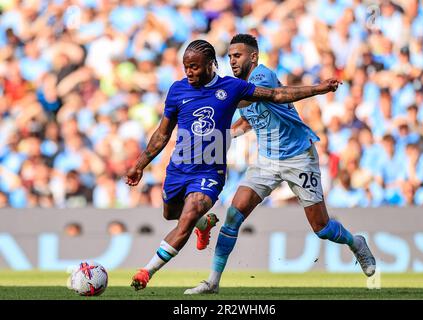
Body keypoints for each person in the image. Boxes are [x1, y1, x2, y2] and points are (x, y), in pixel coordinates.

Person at [125, 39, 341, 291]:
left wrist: (318, 89)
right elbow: (162, 133)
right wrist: (140, 164)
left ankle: (146, 271)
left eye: (194, 66)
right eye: (186, 67)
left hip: (209, 171)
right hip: (179, 168)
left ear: (211, 65)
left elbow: (275, 95)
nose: (190, 72)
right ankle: (204, 224)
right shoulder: (177, 90)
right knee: (171, 214)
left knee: (188, 216)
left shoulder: (232, 88)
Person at [185, 34, 376, 295]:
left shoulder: (261, 76)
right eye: (229, 56)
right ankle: (213, 281)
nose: (232, 60)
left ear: (253, 56)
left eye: (237, 55)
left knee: (322, 228)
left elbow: (273, 96)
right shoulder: (239, 87)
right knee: (233, 214)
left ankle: (356, 242)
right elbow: (251, 117)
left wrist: (318, 88)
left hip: (299, 156)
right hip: (267, 159)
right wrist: (228, 134)